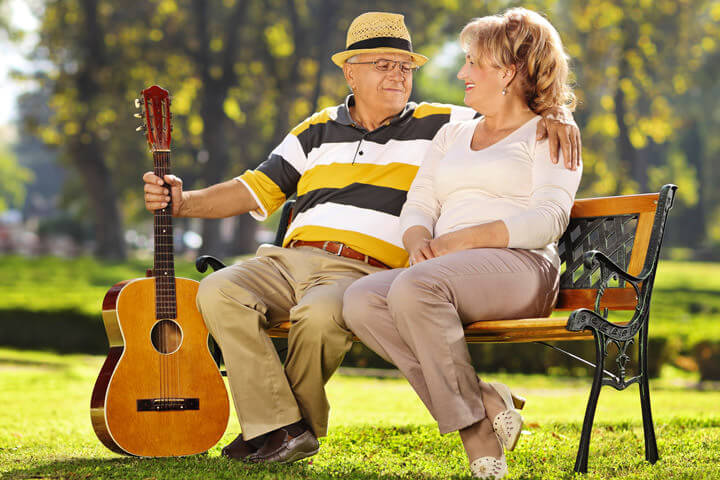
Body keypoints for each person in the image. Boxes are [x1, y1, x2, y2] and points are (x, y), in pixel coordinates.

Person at [142, 11, 580, 465]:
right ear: (350, 71)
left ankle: (280, 432)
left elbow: (515, 109)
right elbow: (254, 187)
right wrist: (183, 200)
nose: (398, 74)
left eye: (405, 66)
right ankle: (281, 428)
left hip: (360, 268)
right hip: (287, 261)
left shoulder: (441, 123)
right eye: (383, 64)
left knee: (321, 313)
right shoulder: (315, 130)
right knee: (218, 289)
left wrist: (558, 112)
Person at [342, 8, 582, 479]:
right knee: (361, 299)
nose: (461, 72)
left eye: (473, 61)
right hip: (444, 273)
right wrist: (418, 241)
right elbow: (419, 204)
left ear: (508, 71)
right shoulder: (453, 132)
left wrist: (462, 241)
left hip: (521, 268)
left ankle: (476, 440)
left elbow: (549, 219)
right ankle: (488, 401)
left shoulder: (550, 132)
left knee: (413, 288)